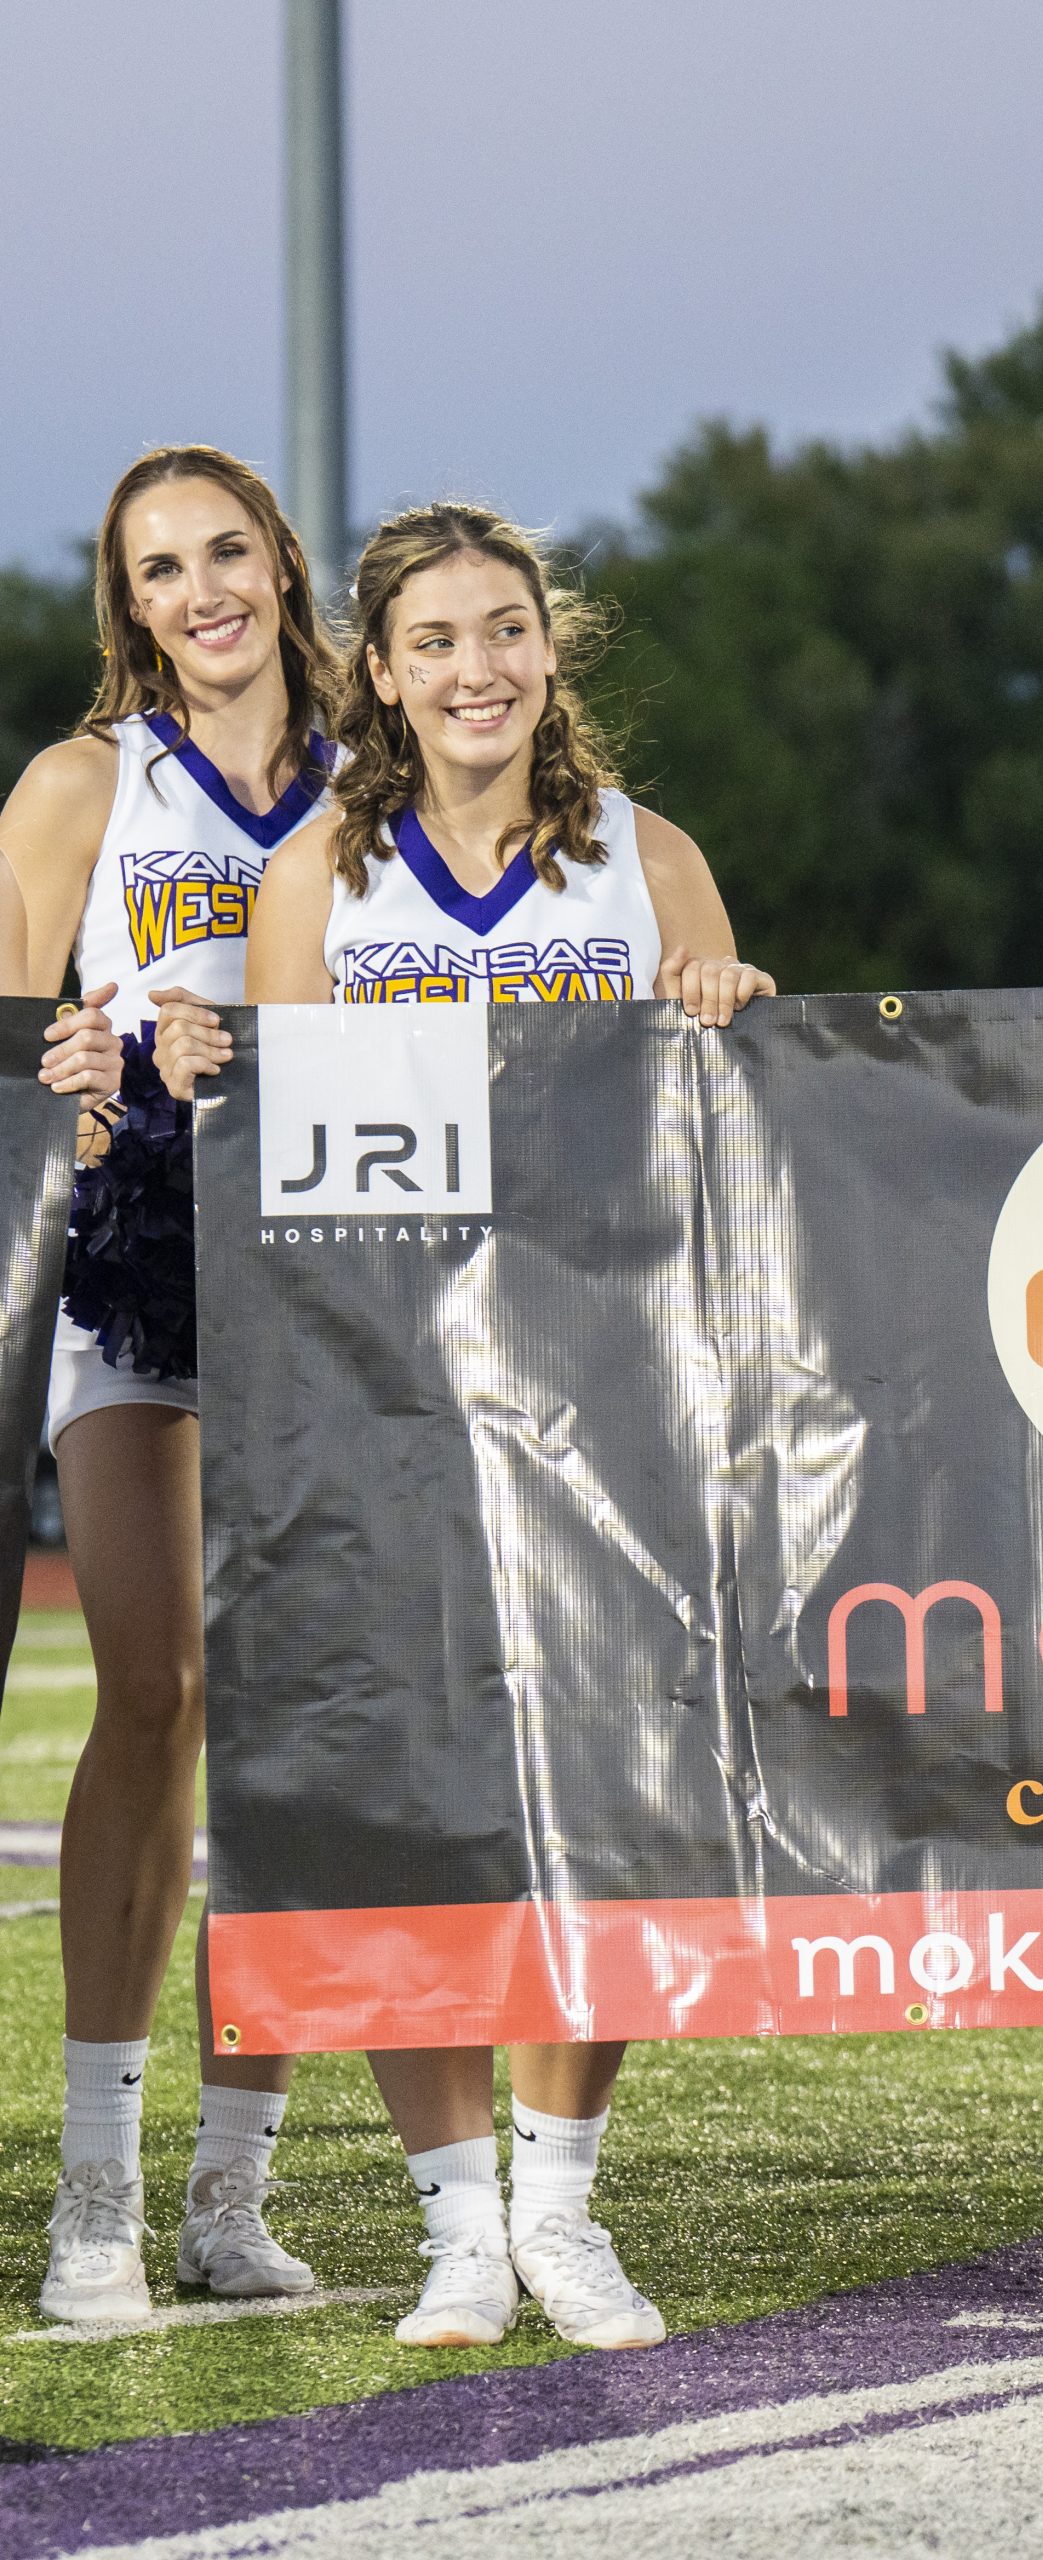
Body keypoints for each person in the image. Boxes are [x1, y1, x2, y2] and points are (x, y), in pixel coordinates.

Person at [161, 500, 773, 2353]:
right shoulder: (310, 892)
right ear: (385, 671)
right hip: (378, 1411)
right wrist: (202, 1070)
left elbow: (738, 1148)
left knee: (601, 1804)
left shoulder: (649, 863)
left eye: (504, 631)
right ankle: (455, 2227)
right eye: (434, 642)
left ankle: (566, 2210)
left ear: (549, 652)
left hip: (613, 1410)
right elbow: (263, 1173)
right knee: (400, 1810)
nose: (476, 669)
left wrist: (732, 1012)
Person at [0, 445, 341, 2322]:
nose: (200, 590)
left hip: (330, 1275)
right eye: (158, 569)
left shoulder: (381, 793)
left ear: (280, 567)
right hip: (128, 1264)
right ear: (129, 606)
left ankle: (232, 2194)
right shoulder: (82, 785)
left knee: (291, 1717)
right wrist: (85, 1047)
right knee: (163, 1686)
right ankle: (96, 2203)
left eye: (225, 551)